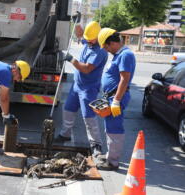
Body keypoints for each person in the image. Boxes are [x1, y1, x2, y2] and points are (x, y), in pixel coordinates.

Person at [56, 21, 108, 158]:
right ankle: (65, 134)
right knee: (68, 109)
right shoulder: (89, 41)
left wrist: (72, 60)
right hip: (77, 85)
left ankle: (96, 144)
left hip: (88, 88)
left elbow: (86, 69)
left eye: (90, 38)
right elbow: (80, 34)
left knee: (89, 116)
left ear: (97, 37)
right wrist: (77, 24)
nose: (88, 41)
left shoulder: (100, 51)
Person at [96, 28, 136, 170]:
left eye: (106, 47)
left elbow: (124, 80)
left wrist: (116, 101)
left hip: (117, 98)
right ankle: (110, 155)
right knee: (110, 126)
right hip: (113, 97)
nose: (106, 50)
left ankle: (113, 162)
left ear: (112, 43)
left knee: (114, 128)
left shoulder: (126, 55)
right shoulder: (119, 55)